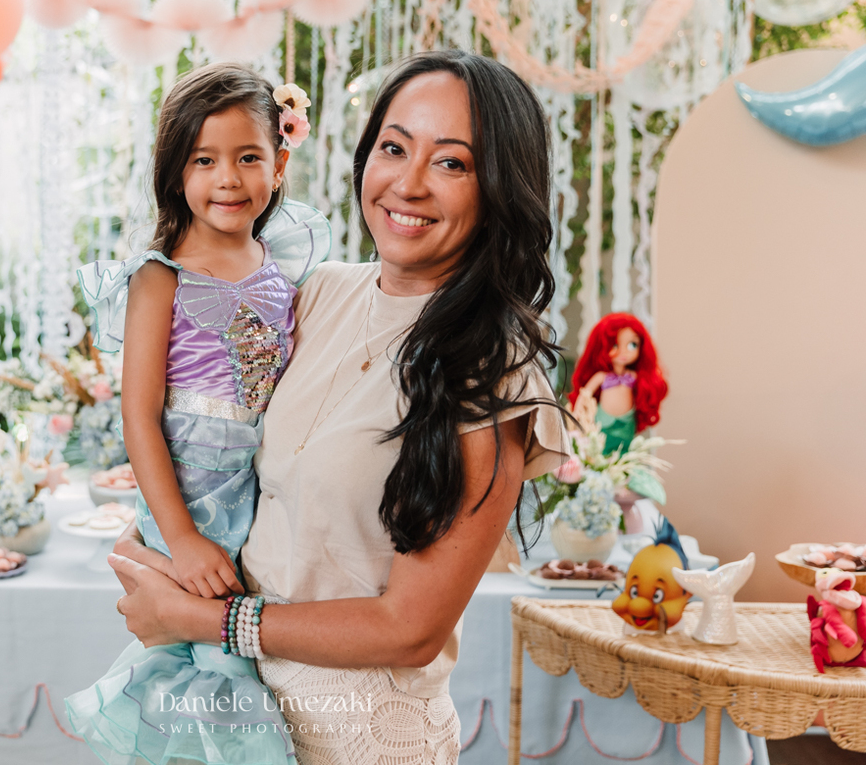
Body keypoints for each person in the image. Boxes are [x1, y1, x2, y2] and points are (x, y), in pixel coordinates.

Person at [108, 50, 571, 765]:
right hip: (242, 721)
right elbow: (203, 432)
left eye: (452, 163)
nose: (408, 184)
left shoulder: (493, 369)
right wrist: (167, 545)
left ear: (499, 189)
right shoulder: (318, 293)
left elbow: (409, 627)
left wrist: (205, 620)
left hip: (362, 738)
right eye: (393, 148)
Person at [65, 63, 331, 765]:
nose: (229, 179)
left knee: (241, 636)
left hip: (260, 485)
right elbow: (139, 417)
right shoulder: (161, 275)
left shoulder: (282, 263)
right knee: (208, 657)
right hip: (190, 490)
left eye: (249, 158)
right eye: (204, 160)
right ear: (174, 171)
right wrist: (180, 536)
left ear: (279, 162)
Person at [568, 312, 668, 456]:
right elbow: (585, 395)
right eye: (615, 344)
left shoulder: (633, 377)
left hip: (627, 421)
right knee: (600, 450)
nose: (623, 352)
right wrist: (576, 415)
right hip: (603, 421)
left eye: (632, 345)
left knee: (623, 450)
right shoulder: (601, 377)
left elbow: (647, 388)